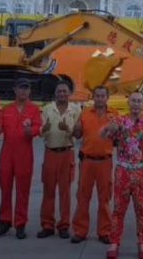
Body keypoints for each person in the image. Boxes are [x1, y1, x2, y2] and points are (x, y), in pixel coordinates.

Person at [102, 92, 143, 259]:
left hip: (141, 171)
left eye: (139, 101)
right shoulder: (119, 121)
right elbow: (102, 135)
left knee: (142, 209)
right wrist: (107, 128)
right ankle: (114, 242)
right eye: (133, 101)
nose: (136, 104)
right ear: (128, 103)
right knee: (118, 209)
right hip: (123, 171)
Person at [0, 78, 42, 240]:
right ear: (15, 90)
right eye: (20, 88)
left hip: (24, 153)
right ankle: (4, 222)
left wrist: (31, 131)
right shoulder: (6, 109)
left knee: (22, 190)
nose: (23, 92)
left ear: (29, 91)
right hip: (7, 153)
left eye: (26, 89)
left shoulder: (34, 109)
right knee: (5, 188)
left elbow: (38, 127)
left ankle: (20, 223)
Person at [71, 86, 117, 244]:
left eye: (102, 96)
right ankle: (80, 230)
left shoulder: (114, 115)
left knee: (104, 198)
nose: (99, 99)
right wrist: (75, 130)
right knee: (83, 196)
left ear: (107, 97)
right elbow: (77, 134)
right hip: (87, 161)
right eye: (97, 96)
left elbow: (120, 136)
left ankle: (104, 231)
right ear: (93, 97)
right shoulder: (84, 114)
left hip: (105, 161)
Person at [37, 81, 82, 239]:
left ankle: (64, 225)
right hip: (50, 152)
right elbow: (40, 132)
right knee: (48, 190)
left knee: (65, 191)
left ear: (69, 93)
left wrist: (68, 130)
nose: (62, 94)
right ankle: (47, 225)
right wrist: (44, 129)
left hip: (66, 152)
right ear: (55, 93)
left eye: (65, 91)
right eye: (59, 91)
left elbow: (78, 134)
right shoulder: (48, 109)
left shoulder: (76, 109)